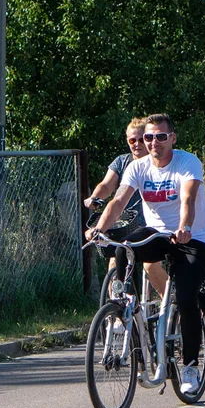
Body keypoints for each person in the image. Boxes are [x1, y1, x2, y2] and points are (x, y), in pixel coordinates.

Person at [85, 113, 205, 394]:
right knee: (124, 247)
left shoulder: (187, 162)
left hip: (191, 237)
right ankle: (124, 307)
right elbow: (119, 200)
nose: (154, 142)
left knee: (185, 296)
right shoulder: (138, 167)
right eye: (149, 137)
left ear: (172, 139)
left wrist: (185, 227)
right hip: (156, 233)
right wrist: (99, 228)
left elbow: (188, 198)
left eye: (161, 137)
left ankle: (190, 365)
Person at [83, 117, 168, 296]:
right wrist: (95, 197)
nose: (136, 144)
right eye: (131, 140)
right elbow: (107, 185)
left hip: (148, 224)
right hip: (124, 224)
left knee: (150, 265)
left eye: (140, 139)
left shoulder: (157, 164)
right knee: (114, 260)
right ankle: (117, 308)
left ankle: (169, 303)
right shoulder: (123, 162)